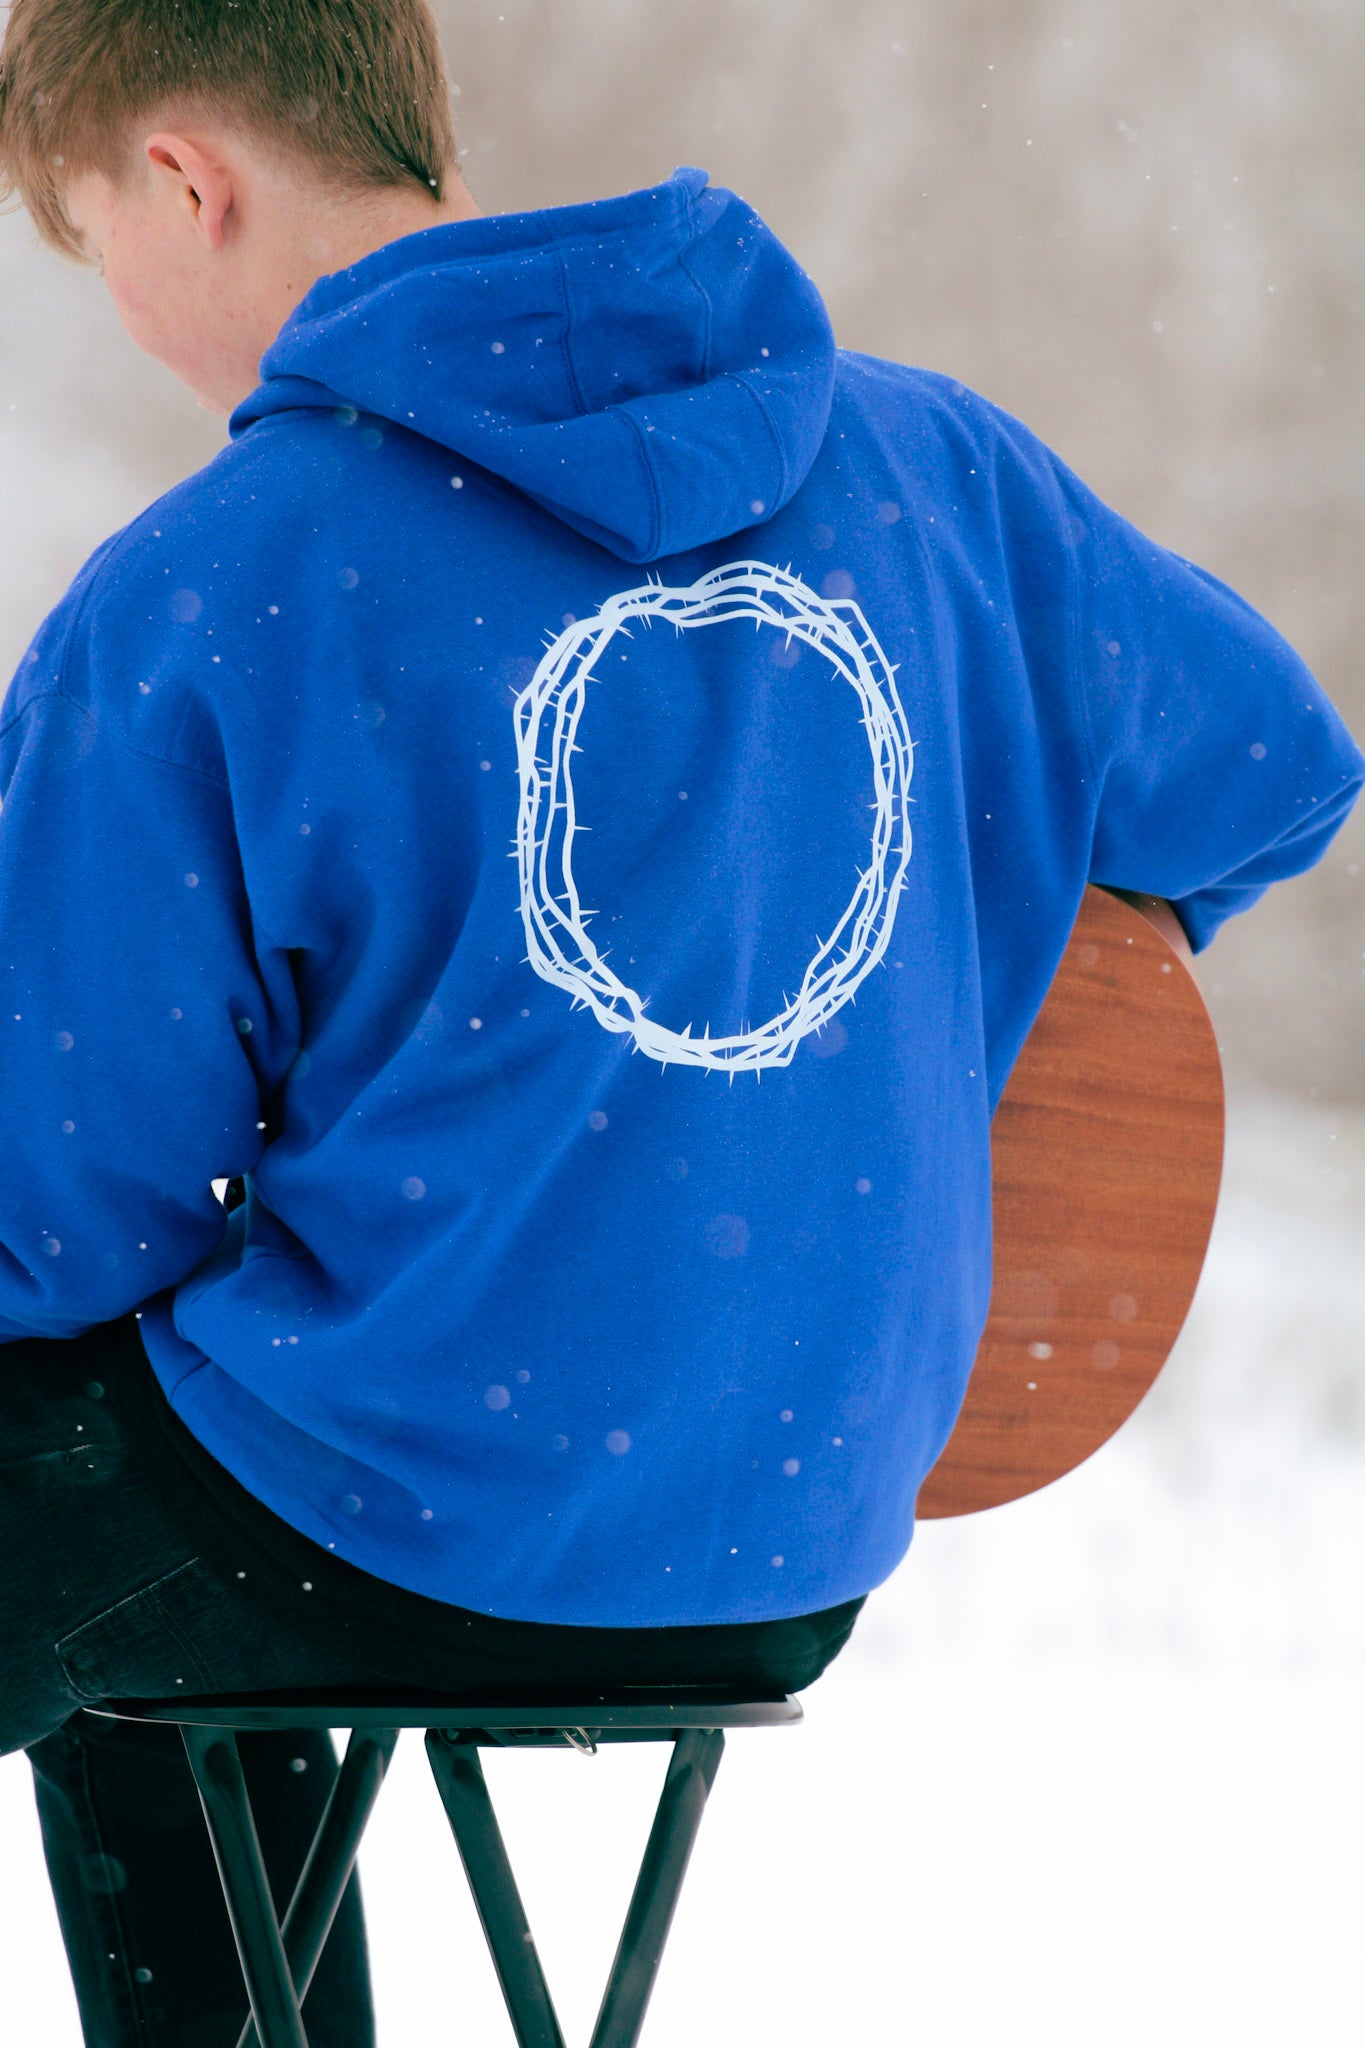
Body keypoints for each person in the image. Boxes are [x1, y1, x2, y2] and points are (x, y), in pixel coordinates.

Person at [0, 1, 1361, 2041]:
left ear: (186, 182)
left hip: (388, 1505)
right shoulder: (934, 477)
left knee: (117, 1461)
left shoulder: (218, 580)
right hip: (793, 1527)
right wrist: (927, 1012)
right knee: (161, 1530)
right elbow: (1266, 769)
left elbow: (64, 1204)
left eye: (101, 254)